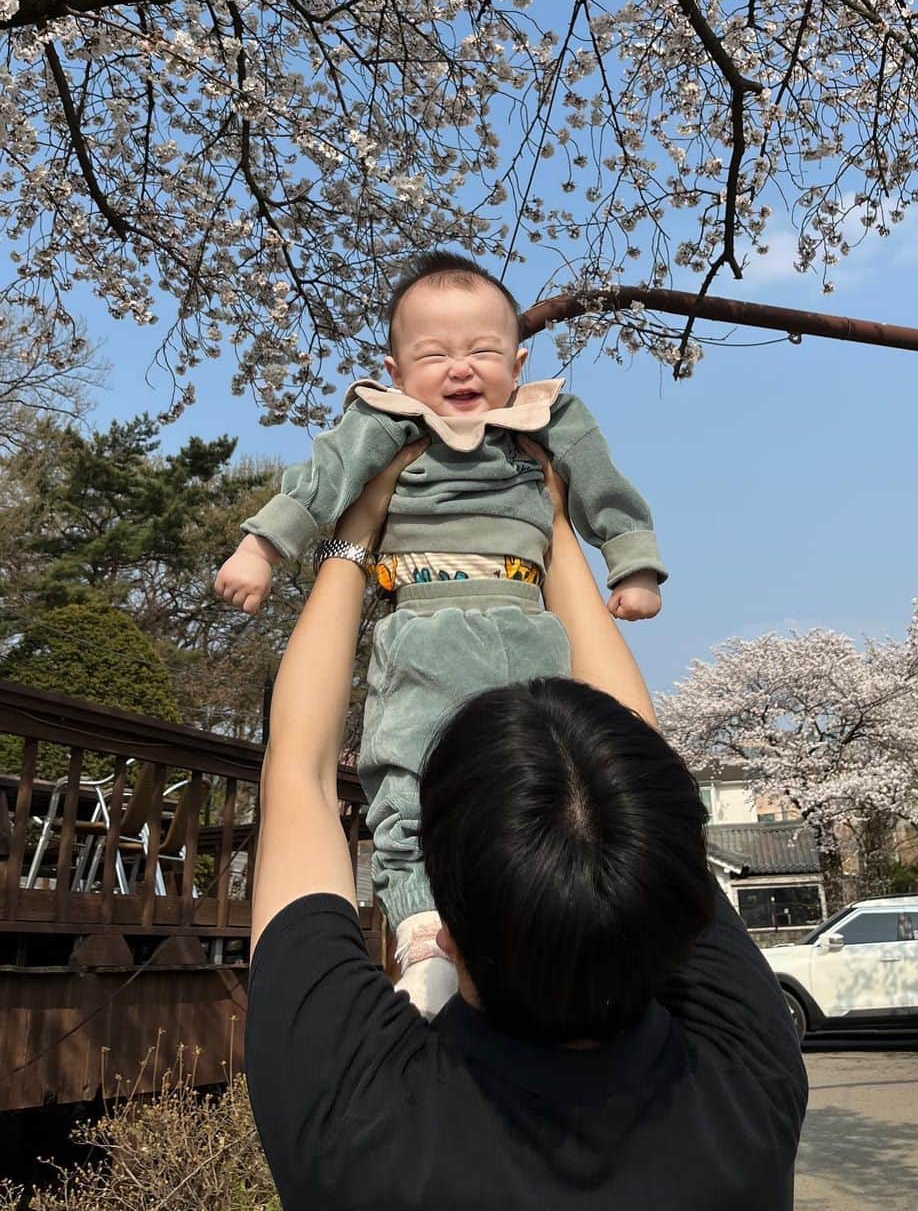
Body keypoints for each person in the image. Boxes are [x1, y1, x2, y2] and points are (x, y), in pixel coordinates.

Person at [244, 437, 808, 1211]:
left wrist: (356, 532)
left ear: (443, 928)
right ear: (670, 898)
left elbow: (299, 779)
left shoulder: (358, 1120)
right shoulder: (745, 1084)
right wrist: (550, 521)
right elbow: (643, 770)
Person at [216, 252, 667, 1012]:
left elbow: (603, 486)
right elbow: (321, 480)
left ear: (518, 362)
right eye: (434, 355)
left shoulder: (548, 418)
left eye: (483, 351)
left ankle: (544, 905)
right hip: (422, 622)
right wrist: (262, 546)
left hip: (526, 617)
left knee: (553, 772)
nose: (461, 369)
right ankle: (423, 930)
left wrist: (633, 564)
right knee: (407, 769)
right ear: (396, 370)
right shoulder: (386, 423)